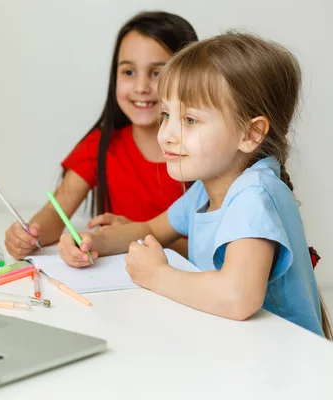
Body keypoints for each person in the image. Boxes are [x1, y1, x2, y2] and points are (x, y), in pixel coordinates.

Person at [57, 32, 331, 338]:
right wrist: (95, 242)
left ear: (251, 134)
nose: (166, 135)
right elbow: (152, 230)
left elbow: (238, 297)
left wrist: (158, 275)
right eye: (166, 115)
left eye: (189, 120)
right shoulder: (207, 187)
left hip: (289, 363)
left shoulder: (253, 195)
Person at [4, 11, 198, 259]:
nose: (141, 87)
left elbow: (212, 249)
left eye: (157, 73)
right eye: (128, 72)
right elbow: (53, 217)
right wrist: (28, 235)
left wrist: (135, 235)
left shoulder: (207, 150)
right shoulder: (101, 145)